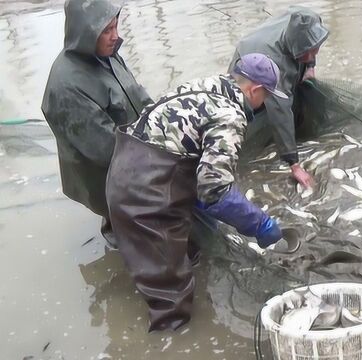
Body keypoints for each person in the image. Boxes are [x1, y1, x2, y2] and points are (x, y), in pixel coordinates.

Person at [106, 53, 287, 332]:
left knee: (188, 249)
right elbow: (216, 190)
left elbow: (186, 149)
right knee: (171, 298)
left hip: (123, 168)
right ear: (255, 90)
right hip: (144, 196)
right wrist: (259, 224)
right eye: (268, 96)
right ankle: (169, 342)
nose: (267, 103)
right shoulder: (231, 115)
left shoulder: (207, 85)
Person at [41, 0, 152, 245]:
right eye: (107, 31)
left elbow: (137, 94)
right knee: (139, 228)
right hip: (105, 169)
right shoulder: (66, 85)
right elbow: (106, 149)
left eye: (116, 26)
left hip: (133, 151)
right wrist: (159, 161)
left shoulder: (107, 54)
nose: (115, 36)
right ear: (85, 33)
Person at [229, 6, 330, 188]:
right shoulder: (274, 65)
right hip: (250, 63)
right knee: (255, 106)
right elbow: (280, 111)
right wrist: (294, 164)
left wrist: (310, 66)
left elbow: (312, 42)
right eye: (308, 53)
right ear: (296, 49)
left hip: (279, 48)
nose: (313, 54)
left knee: (291, 91)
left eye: (315, 50)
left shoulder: (308, 19)